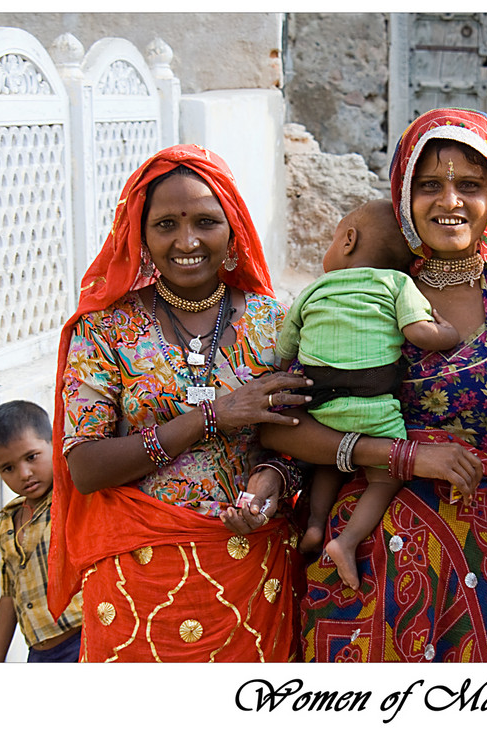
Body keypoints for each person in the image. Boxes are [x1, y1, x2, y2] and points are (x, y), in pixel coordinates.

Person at [263, 108, 487, 662]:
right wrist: (406, 457)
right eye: (429, 186)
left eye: (469, 185)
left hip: (480, 559)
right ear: (402, 195)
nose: (449, 201)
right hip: (364, 560)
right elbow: (290, 425)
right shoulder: (367, 288)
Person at [48, 144, 313, 662]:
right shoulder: (105, 329)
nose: (186, 241)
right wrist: (211, 416)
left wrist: (273, 481)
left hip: (251, 571)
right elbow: (84, 467)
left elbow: (299, 438)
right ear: (140, 237)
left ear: (232, 229)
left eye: (206, 222)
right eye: (166, 224)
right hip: (135, 581)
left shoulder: (275, 322)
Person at [277, 198, 459, 590]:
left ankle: (313, 525)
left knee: (326, 461)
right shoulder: (397, 283)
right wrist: (449, 333)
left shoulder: (312, 290)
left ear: (348, 240)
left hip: (321, 404)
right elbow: (419, 333)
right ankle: (347, 540)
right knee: (384, 478)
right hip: (375, 407)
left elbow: (284, 350)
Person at [0, 400, 83, 662]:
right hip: (38, 653)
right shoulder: (8, 520)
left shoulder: (73, 499)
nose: (24, 474)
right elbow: (9, 594)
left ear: (54, 444)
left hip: (83, 641)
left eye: (31, 457)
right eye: (8, 468)